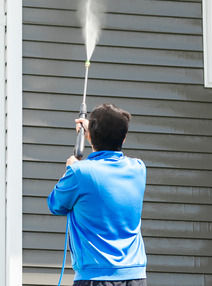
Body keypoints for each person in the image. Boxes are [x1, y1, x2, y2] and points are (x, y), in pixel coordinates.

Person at [47, 103, 147, 286]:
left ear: (91, 135)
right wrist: (93, 132)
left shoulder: (79, 173)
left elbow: (55, 205)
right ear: (124, 138)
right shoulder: (139, 168)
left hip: (94, 278)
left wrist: (70, 170)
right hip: (135, 276)